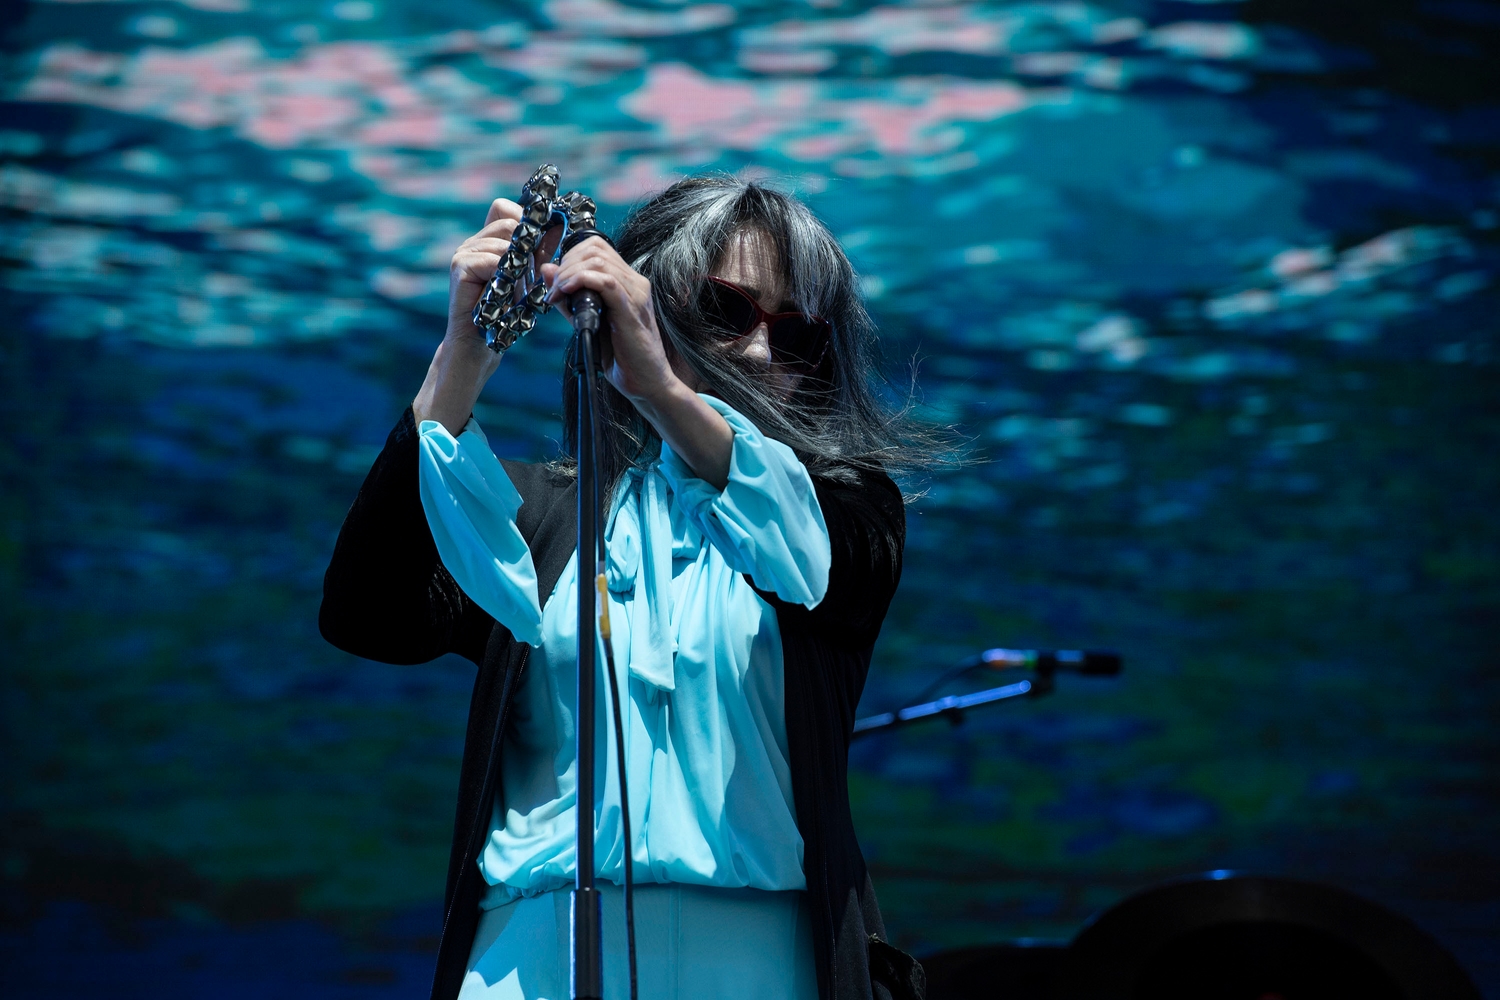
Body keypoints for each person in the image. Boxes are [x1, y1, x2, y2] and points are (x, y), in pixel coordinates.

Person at [320, 176, 931, 1000]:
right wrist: (464, 350)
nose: (759, 353)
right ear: (635, 307)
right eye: (726, 311)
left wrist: (663, 388)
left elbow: (817, 567)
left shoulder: (844, 508)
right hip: (530, 954)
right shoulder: (540, 514)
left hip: (763, 952)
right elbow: (371, 616)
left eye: (796, 336)